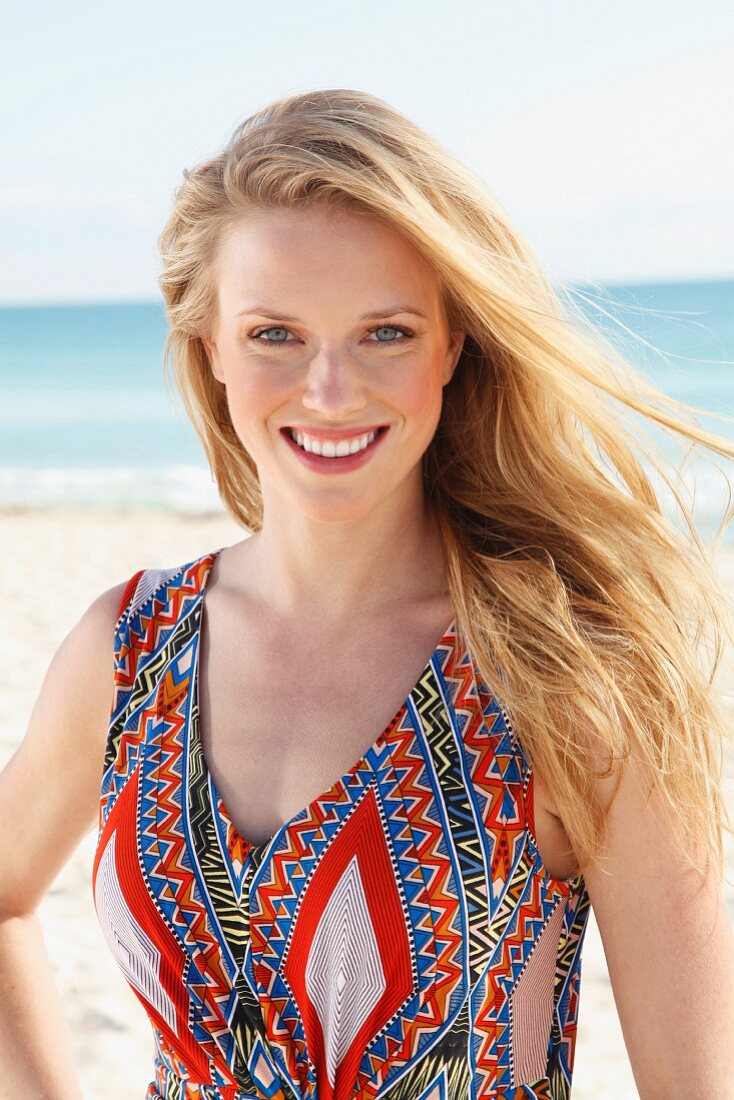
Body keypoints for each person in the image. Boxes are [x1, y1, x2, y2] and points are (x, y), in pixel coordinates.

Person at [2, 88, 734, 1100]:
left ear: (452, 344)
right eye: (274, 334)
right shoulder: (130, 647)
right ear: (209, 341)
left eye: (385, 331)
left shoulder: (567, 676)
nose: (331, 389)